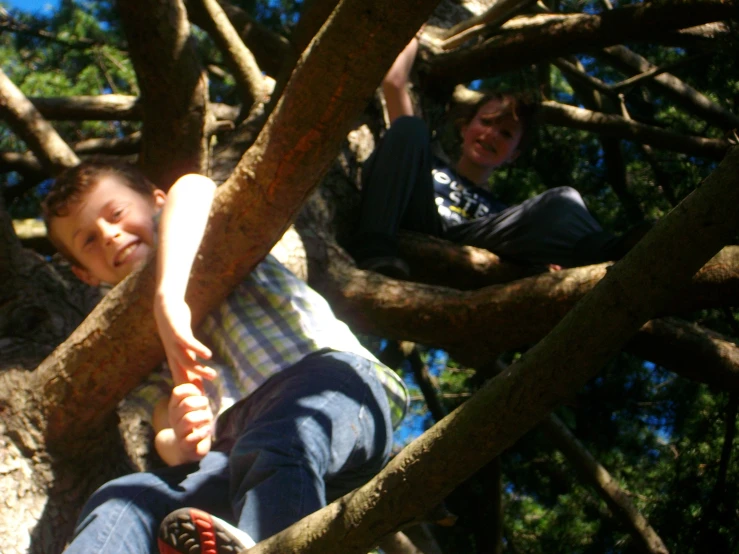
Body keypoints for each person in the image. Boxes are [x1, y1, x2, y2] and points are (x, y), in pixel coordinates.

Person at [43, 161, 408, 553]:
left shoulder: (200, 232)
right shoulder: (128, 345)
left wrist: (169, 295)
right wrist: (182, 439)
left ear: (156, 200)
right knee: (127, 499)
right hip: (238, 459)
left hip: (329, 386)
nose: (110, 235)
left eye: (116, 214)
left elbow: (194, 187)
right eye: (89, 242)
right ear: (84, 274)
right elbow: (165, 429)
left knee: (276, 439)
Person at [349, 36, 641, 278]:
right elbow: (395, 82)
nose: (490, 135)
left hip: (469, 242)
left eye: (505, 133)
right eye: (486, 122)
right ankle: (374, 246)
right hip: (417, 216)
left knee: (563, 198)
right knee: (410, 127)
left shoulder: (504, 214)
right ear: (465, 127)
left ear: (514, 154)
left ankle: (612, 254)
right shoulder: (426, 161)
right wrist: (412, 32)